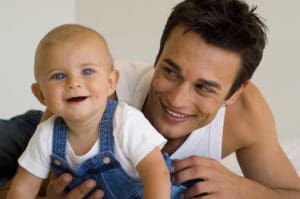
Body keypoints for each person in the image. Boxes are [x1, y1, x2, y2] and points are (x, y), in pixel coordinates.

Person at [1, 0, 300, 198]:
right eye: (170, 71)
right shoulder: (99, 94)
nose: (177, 100)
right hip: (42, 135)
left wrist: (244, 190)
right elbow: (23, 183)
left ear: (234, 94)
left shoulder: (246, 115)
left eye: (204, 88)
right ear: (157, 57)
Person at [7, 24, 172, 199]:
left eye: (87, 71)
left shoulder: (125, 121)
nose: (74, 83)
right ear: (41, 94)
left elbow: (157, 174)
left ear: (110, 83)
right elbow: (23, 188)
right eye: (59, 76)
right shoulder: (46, 134)